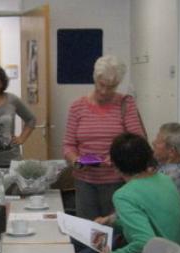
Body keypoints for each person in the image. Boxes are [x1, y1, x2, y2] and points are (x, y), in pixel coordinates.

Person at [62, 55, 146, 220]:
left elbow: (137, 142)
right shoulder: (77, 107)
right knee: (87, 229)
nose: (104, 91)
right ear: (95, 79)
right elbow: (68, 145)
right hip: (85, 182)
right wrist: (75, 161)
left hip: (118, 181)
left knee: (114, 229)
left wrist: (115, 158)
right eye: (101, 85)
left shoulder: (126, 104)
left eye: (111, 87)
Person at [92, 133, 180, 253]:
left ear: (115, 166)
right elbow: (152, 220)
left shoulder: (124, 195)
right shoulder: (165, 180)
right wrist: (112, 221)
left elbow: (144, 242)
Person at [152, 122, 180, 209]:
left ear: (171, 151)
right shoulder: (165, 166)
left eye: (158, 141)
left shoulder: (173, 175)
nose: (153, 143)